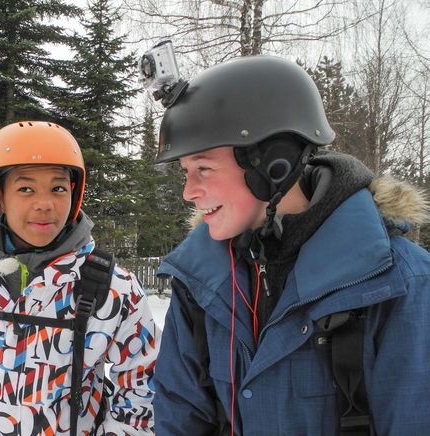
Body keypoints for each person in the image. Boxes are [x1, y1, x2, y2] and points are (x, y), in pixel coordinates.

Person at [151, 55, 430, 435]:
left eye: (204, 169)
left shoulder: (400, 281)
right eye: (185, 172)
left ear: (272, 165)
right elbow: (180, 418)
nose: (188, 192)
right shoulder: (200, 282)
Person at [0, 121, 158, 435]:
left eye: (58, 188)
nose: (45, 204)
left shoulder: (112, 287)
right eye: (26, 188)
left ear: (74, 194)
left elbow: (140, 386)